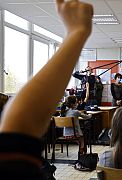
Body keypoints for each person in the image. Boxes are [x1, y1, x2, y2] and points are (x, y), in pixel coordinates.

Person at [0, 0, 93, 179]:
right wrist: (78, 32)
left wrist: (77, 34)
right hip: (75, 134)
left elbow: (22, 121)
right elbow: (22, 120)